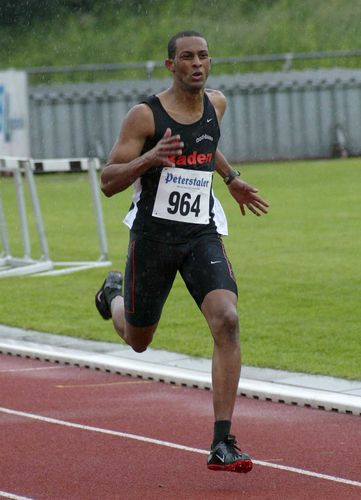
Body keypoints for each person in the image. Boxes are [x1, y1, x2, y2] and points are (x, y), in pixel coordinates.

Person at [95, 30, 269, 473]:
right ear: (170, 65)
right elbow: (109, 180)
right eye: (187, 57)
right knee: (138, 340)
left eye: (204, 56)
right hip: (152, 239)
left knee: (227, 318)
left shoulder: (217, 104)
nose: (197, 63)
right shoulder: (144, 116)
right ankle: (111, 296)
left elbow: (206, 147)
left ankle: (222, 441)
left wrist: (230, 180)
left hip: (200, 235)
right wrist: (149, 159)